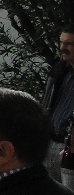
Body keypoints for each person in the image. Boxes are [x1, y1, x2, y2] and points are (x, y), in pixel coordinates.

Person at [40, 24, 74, 185]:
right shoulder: (60, 71)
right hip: (51, 141)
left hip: (69, 148)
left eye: (68, 44)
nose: (63, 48)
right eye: (61, 42)